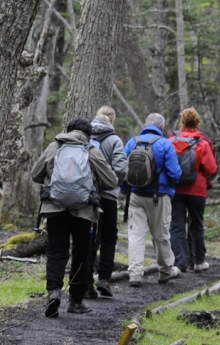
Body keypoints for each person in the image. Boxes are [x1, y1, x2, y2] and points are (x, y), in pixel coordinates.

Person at [30, 117, 118, 318]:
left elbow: (36, 174)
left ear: (68, 130)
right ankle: (76, 301)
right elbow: (111, 181)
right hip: (85, 212)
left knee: (56, 252)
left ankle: (53, 292)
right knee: (81, 254)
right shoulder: (91, 151)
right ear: (88, 134)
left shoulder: (55, 146)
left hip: (55, 209)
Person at [122, 113, 182, 287]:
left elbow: (123, 171)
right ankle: (165, 271)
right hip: (159, 196)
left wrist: (127, 192)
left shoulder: (132, 142)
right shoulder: (165, 144)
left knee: (135, 235)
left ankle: (134, 274)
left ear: (145, 124)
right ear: (162, 127)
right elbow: (175, 174)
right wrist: (168, 189)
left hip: (135, 196)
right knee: (161, 235)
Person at [168, 108, 218, 272]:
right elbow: (211, 169)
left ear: (182, 123)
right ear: (198, 123)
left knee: (176, 226)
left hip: (176, 189)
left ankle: (179, 262)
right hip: (197, 190)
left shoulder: (171, 141)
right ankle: (198, 261)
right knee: (196, 225)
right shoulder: (202, 143)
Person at [86, 106, 127, 299]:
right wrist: (112, 185)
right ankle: (104, 279)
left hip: (87, 196)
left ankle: (86, 282)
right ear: (113, 120)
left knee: (88, 238)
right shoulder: (114, 140)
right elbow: (120, 169)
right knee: (109, 237)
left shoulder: (84, 137)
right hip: (108, 197)